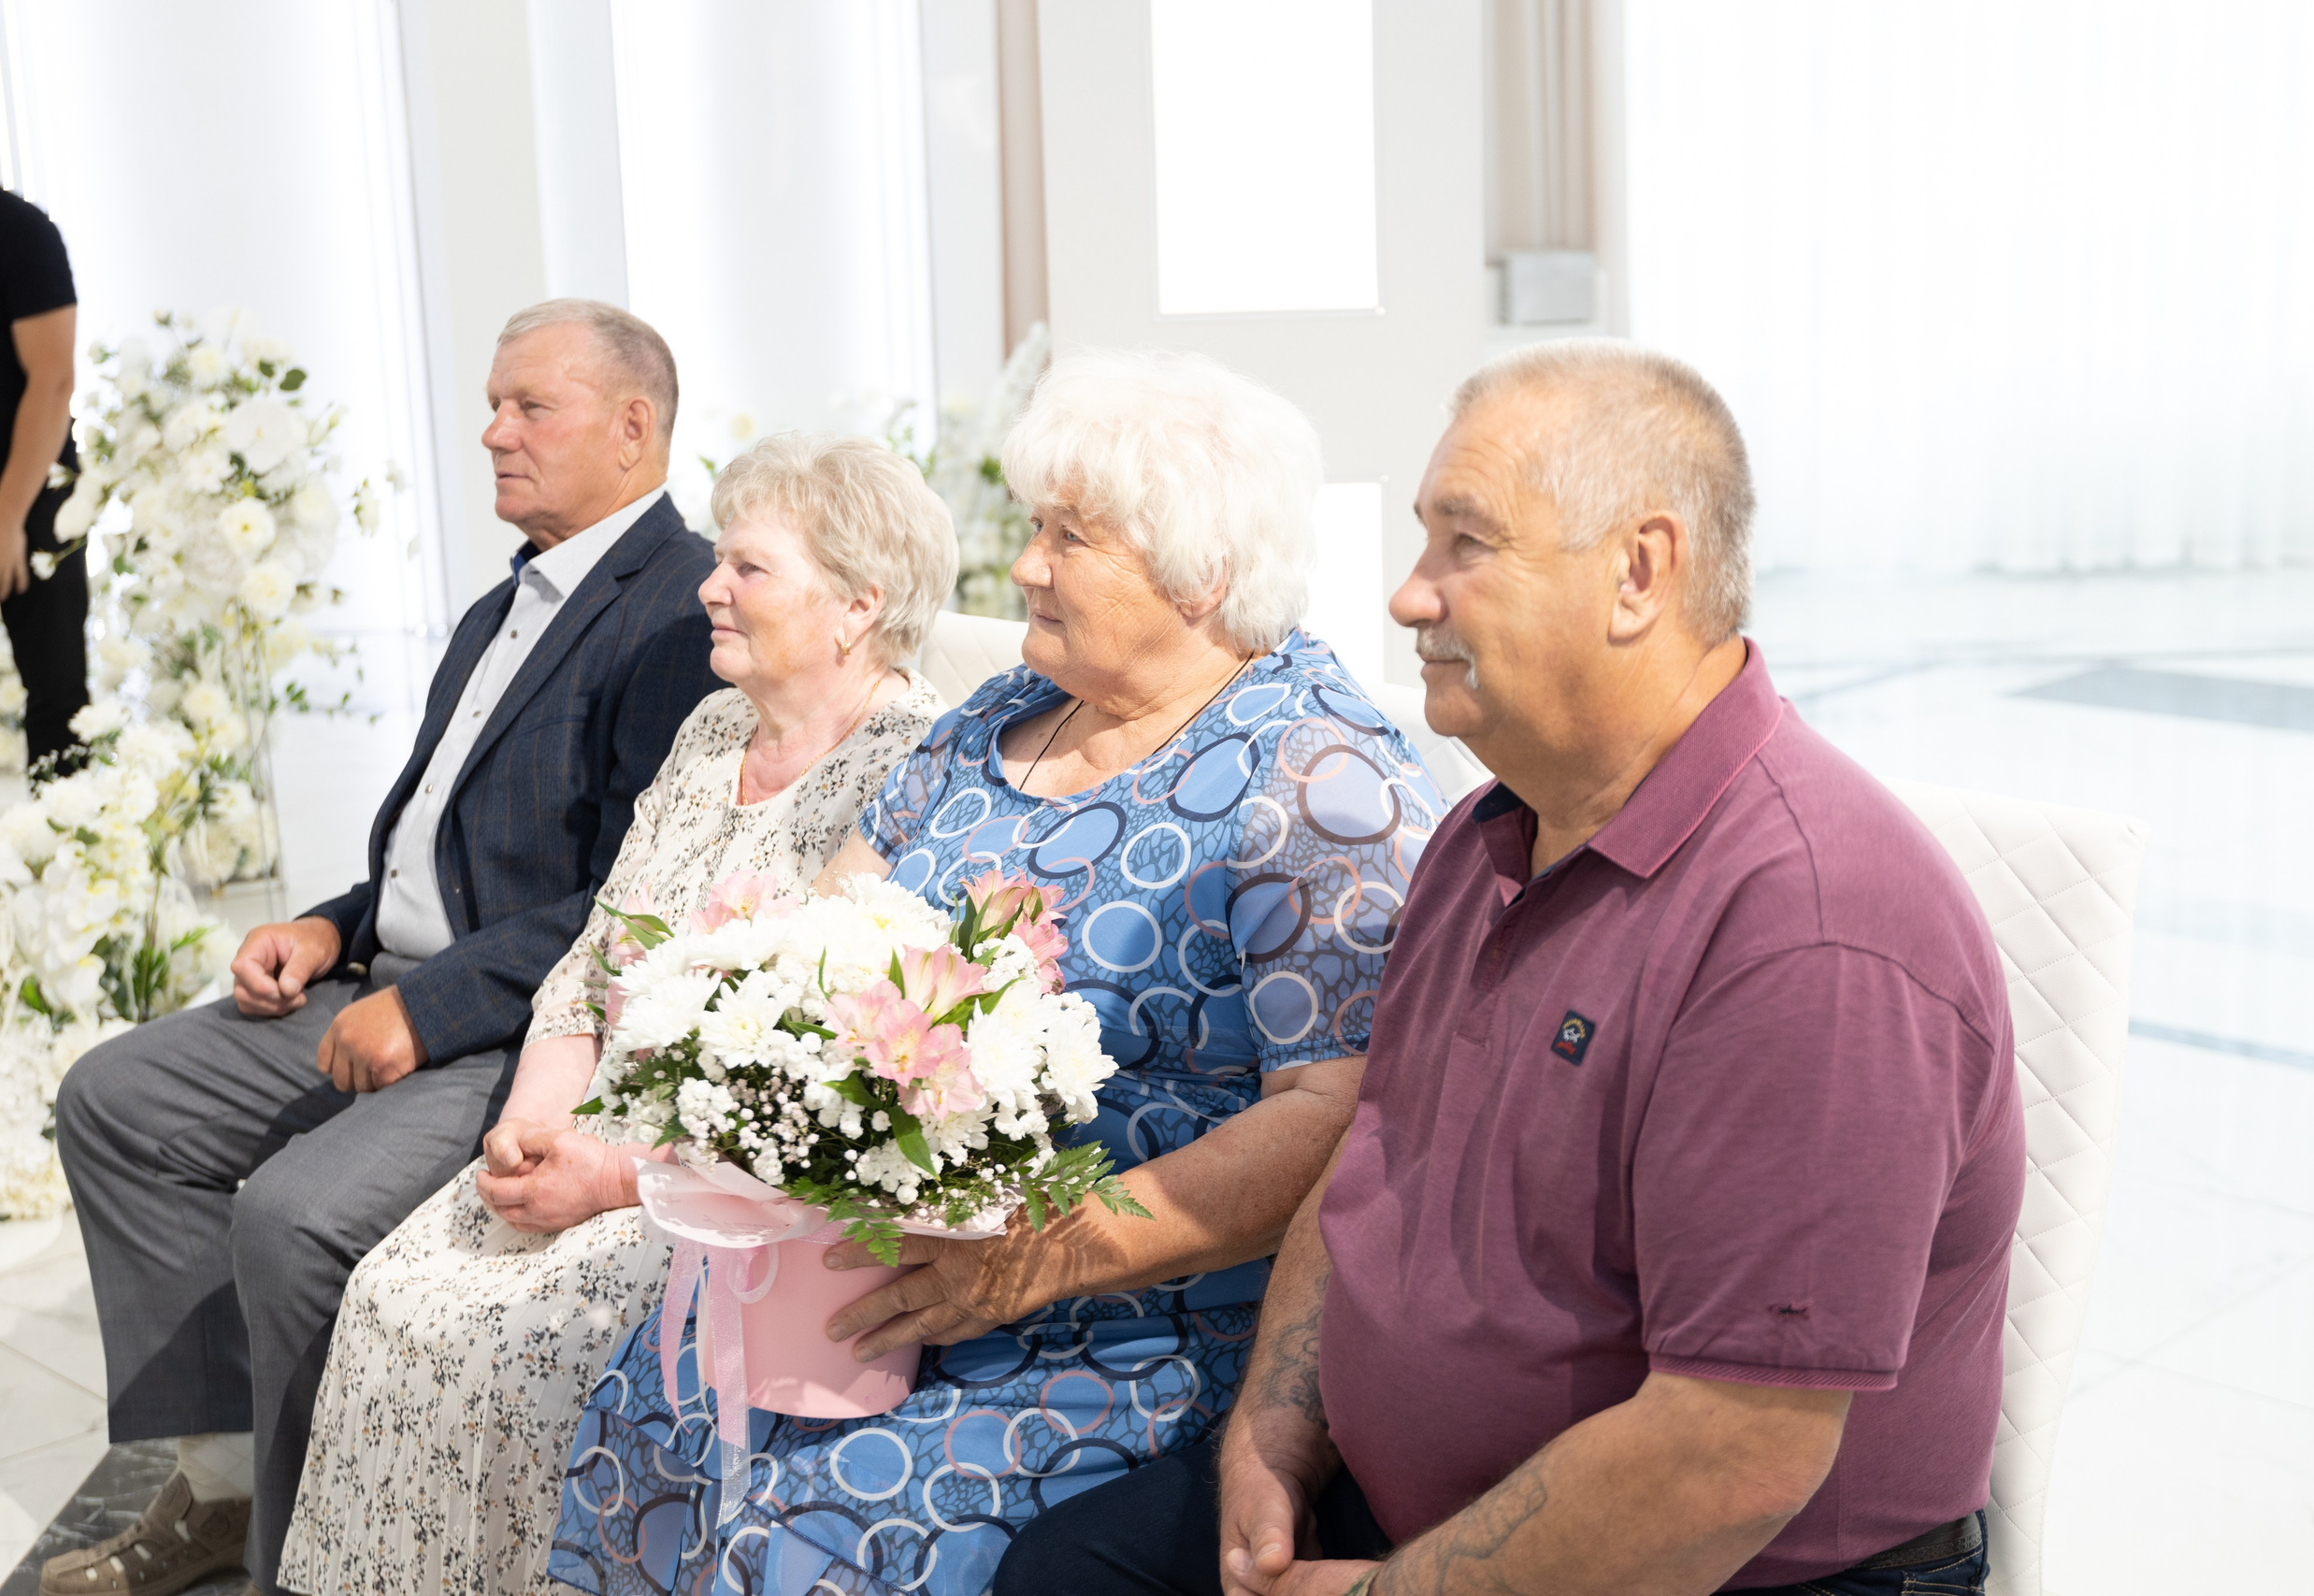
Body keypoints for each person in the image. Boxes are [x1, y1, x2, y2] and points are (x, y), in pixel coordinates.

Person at [999, 340, 2025, 1596]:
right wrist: (1274, 1425)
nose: (1408, 596)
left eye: (1463, 546)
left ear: (1637, 572)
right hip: (1405, 1497)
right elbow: (1369, 1159)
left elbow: (1732, 1455)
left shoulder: (1810, 923)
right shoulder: (1492, 830)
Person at [544, 350, 1449, 1596]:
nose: (1024, 564)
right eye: (1034, 526)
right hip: (873, 1256)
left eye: (1067, 536)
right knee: (655, 1407)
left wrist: (1057, 1250)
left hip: (1128, 1308)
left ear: (1203, 577)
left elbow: (1336, 1111)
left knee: (824, 1519)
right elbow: (819, 937)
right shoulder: (1001, 712)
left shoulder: (1316, 778)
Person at [45, 299, 723, 1596]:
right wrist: (328, 924)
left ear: (634, 427)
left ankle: (297, 1560)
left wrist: (432, 1004)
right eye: (493, 401)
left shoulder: (677, 617)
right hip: (377, 975)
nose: (491, 430)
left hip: (517, 1028)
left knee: (292, 1216)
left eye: (531, 405)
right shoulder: (495, 609)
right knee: (116, 1099)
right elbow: (438, 845)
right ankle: (218, 1478)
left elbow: (637, 891)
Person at [276, 432, 954, 1596]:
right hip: (585, 1130)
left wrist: (614, 1171)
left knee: (517, 1350)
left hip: (731, 1187)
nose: (708, 586)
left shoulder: (916, 762)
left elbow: (813, 1066)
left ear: (856, 606)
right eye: (719, 562)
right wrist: (533, 1125)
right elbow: (591, 962)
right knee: (390, 1300)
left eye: (749, 569)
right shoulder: (708, 734)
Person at [0, 187, 89, 769]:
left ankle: (72, 853)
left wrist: (7, 516)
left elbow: (53, 380)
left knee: (57, 698)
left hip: (30, 486)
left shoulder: (20, 231)